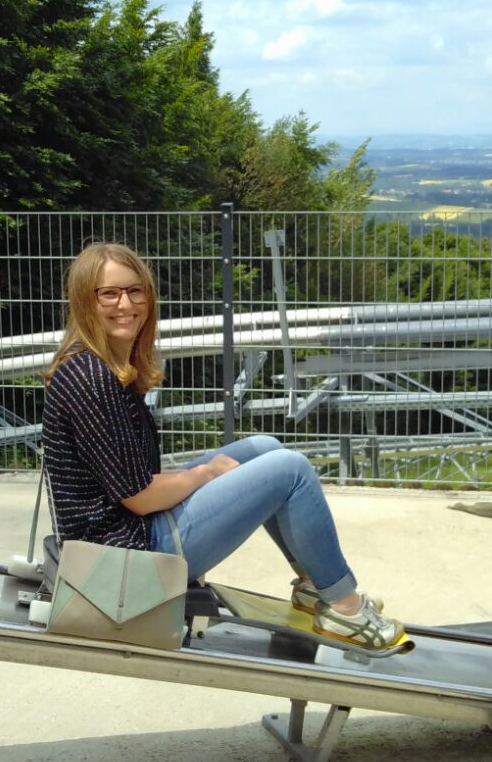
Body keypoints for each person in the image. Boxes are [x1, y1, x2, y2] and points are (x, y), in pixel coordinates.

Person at [41, 241, 403, 650]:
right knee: (291, 470)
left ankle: (313, 585)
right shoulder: (92, 378)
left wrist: (199, 477)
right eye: (109, 293)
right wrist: (205, 473)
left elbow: (127, 482)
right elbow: (138, 497)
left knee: (265, 447)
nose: (125, 303)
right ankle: (346, 609)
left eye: (134, 290)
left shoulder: (100, 366)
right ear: (85, 303)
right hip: (124, 560)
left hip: (126, 535)